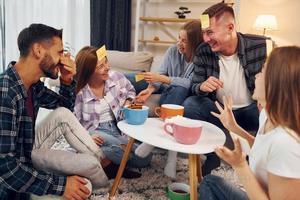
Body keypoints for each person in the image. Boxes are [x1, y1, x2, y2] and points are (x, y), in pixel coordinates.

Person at [0, 24, 110, 200]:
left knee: (63, 115)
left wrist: (67, 81)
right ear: (38, 50)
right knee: (82, 188)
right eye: (59, 52)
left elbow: (65, 106)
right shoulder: (6, 94)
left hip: (26, 151)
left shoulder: (32, 85)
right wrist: (61, 186)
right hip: (11, 185)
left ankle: (103, 161)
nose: (63, 59)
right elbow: (5, 168)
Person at [199, 46, 300, 200]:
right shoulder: (267, 114)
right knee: (210, 183)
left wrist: (240, 166)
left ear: (276, 83)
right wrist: (233, 127)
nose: (256, 76)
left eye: (263, 71)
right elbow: (262, 147)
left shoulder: (286, 144)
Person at [182, 2, 267, 175]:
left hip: (252, 110)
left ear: (230, 27)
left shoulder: (262, 46)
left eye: (210, 32)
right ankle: (212, 154)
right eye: (204, 33)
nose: (206, 38)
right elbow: (194, 87)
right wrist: (203, 86)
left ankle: (256, 158)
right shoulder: (203, 51)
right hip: (220, 112)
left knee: (273, 112)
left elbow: (279, 83)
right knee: (191, 104)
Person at [133, 20, 203, 179]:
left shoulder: (200, 59)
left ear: (195, 43)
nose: (179, 43)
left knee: (181, 88)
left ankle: (165, 153)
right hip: (166, 88)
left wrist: (164, 79)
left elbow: (191, 83)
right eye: (179, 38)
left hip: (180, 94)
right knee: (132, 78)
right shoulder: (173, 51)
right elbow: (161, 75)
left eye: (184, 40)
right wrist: (149, 89)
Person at [74, 46, 152, 178]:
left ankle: (107, 163)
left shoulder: (116, 77)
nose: (107, 67)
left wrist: (129, 101)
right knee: (123, 148)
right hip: (95, 130)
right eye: (100, 66)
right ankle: (116, 157)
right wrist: (87, 137)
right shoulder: (79, 91)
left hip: (118, 127)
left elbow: (131, 90)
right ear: (89, 71)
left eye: (106, 62)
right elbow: (72, 123)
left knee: (145, 158)